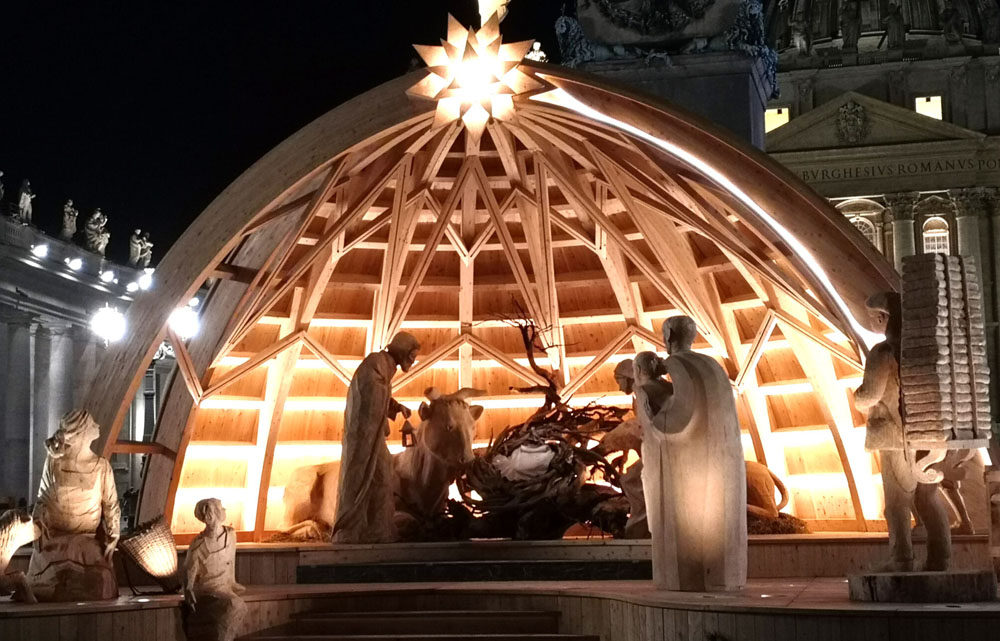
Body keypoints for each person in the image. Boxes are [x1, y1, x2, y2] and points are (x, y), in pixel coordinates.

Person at [634, 317, 746, 591]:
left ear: (669, 334)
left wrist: (652, 419)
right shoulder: (712, 365)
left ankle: (689, 578)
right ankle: (723, 577)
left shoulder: (677, 364)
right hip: (723, 457)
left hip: (689, 465)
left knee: (689, 525)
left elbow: (679, 419)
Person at [854, 292, 950, 571]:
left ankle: (901, 558)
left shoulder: (883, 353)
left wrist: (857, 397)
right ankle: (940, 557)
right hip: (928, 434)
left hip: (895, 437)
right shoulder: (924, 351)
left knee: (896, 504)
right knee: (928, 498)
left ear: (884, 318)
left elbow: (869, 395)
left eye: (875, 319)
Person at [333, 332, 419, 543]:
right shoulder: (376, 362)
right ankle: (357, 529)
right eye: (412, 355)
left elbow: (379, 393)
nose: (413, 361)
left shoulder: (384, 366)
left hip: (373, 434)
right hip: (365, 437)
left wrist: (396, 406)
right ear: (402, 350)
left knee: (382, 474)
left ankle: (377, 528)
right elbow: (369, 395)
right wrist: (386, 407)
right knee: (374, 474)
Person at [27, 409, 121, 601]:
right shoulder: (54, 463)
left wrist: (113, 535)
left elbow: (111, 505)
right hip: (55, 543)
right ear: (82, 432)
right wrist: (39, 530)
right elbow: (43, 501)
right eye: (92, 424)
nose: (98, 426)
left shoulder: (101, 467)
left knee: (98, 577)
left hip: (87, 542)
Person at [184, 498, 246, 641]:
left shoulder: (230, 535)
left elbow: (230, 562)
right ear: (211, 515)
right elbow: (190, 568)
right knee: (235, 605)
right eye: (220, 507)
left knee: (234, 605)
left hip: (226, 586)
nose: (224, 510)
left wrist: (231, 582)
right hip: (208, 589)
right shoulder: (199, 545)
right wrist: (188, 589)